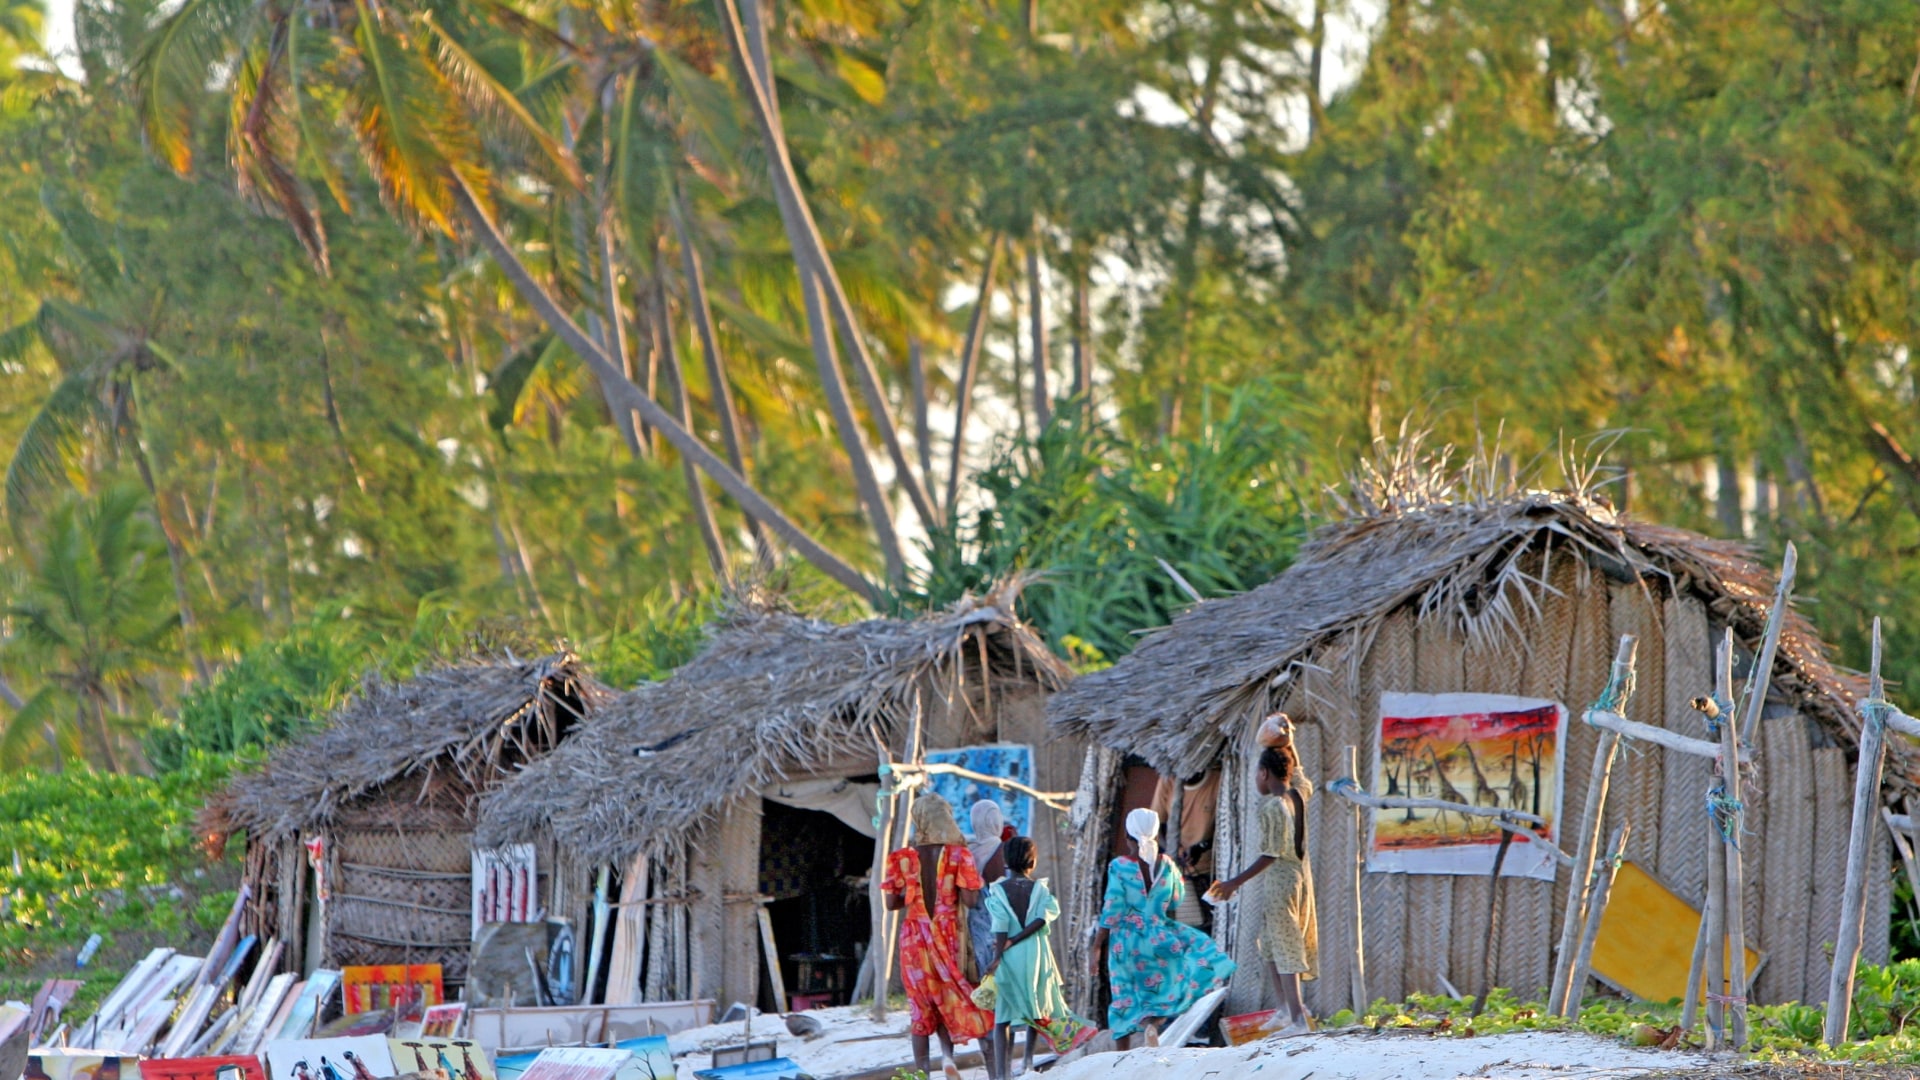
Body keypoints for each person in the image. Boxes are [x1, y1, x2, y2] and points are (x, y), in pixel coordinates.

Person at [1208, 718, 1319, 1037]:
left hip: (1282, 880)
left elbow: (1270, 853)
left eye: (1257, 772)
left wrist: (1232, 883)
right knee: (1270, 942)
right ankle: (1285, 1010)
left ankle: (1297, 1019)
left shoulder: (1271, 807)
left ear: (1264, 774)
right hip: (1297, 878)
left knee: (1285, 946)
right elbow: (1296, 770)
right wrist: (1289, 739)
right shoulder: (1298, 794)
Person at [1094, 807, 1237, 1048]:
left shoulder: (1119, 866)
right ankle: (1153, 1024)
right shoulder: (1168, 865)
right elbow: (1176, 899)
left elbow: (1112, 909)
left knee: (1124, 997)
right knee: (1161, 991)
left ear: (1128, 836)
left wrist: (1096, 946)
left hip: (1127, 942)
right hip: (1160, 936)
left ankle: (1122, 1056)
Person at [882, 793, 994, 1080]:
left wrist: (914, 890)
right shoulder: (959, 855)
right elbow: (970, 900)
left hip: (914, 940)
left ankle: (922, 1074)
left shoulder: (902, 858)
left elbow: (892, 904)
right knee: (948, 995)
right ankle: (947, 1057)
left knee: (920, 1007)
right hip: (948, 936)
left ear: (919, 820)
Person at [985, 837, 1093, 1076]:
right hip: (1036, 955)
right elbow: (1042, 919)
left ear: (1006, 861)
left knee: (1002, 1016)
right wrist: (1019, 938)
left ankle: (1001, 1072)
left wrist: (998, 955)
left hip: (1009, 956)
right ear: (1032, 862)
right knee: (1037, 1008)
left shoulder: (998, 890)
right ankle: (1027, 1062)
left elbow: (1001, 926)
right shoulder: (1040, 889)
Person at [1148, 768, 1221, 930]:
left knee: (1207, 925)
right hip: (1176, 869)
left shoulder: (1217, 781)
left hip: (1207, 871)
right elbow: (1156, 825)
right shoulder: (1168, 780)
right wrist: (1173, 849)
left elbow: (1223, 828)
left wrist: (1202, 847)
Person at [968, 799, 1010, 983]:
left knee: (982, 964)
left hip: (976, 917)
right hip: (996, 918)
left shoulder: (970, 851)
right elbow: (1001, 889)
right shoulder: (998, 849)